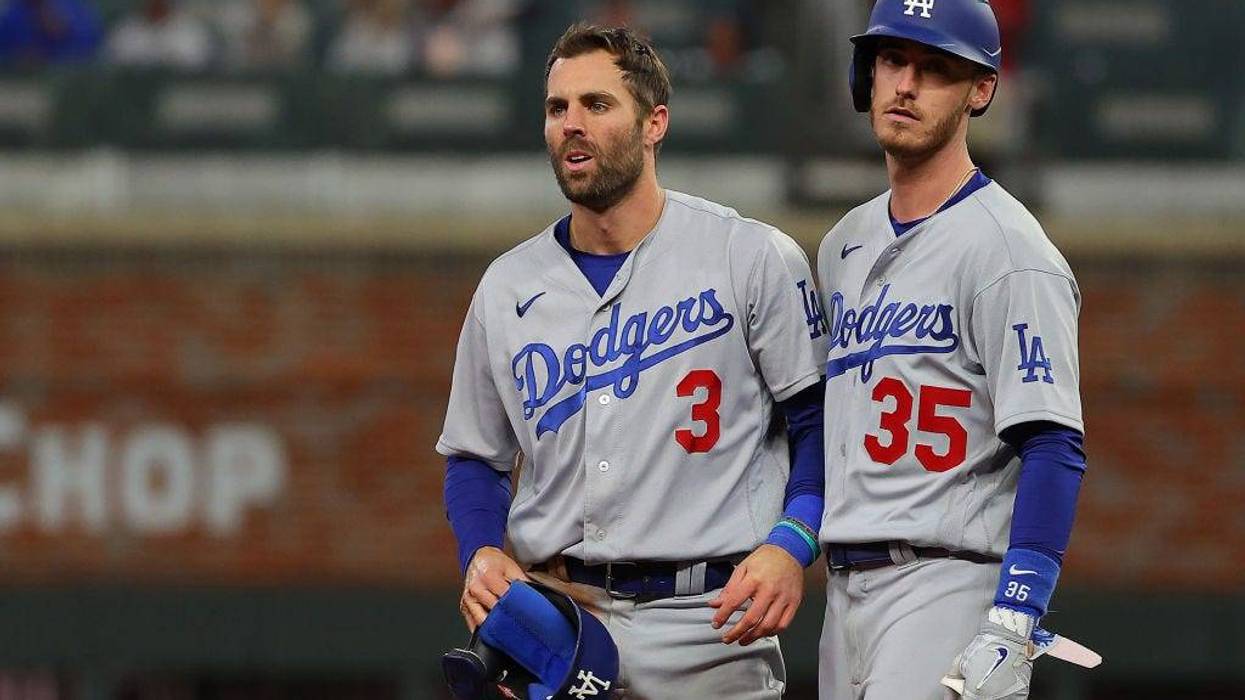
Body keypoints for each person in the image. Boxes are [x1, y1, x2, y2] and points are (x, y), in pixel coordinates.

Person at [437, 23, 828, 698]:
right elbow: (474, 456)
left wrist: (792, 542)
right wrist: (480, 552)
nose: (571, 124)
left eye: (596, 104)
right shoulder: (508, 286)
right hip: (561, 617)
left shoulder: (750, 256)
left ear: (655, 123)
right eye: (557, 108)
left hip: (709, 624)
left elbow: (819, 426)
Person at [815, 1, 1087, 699]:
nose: (905, 84)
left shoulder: (1008, 250)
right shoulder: (843, 242)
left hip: (946, 581)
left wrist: (1016, 615)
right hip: (842, 592)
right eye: (892, 60)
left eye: (934, 68)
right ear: (864, 74)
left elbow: (1053, 444)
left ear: (980, 90)